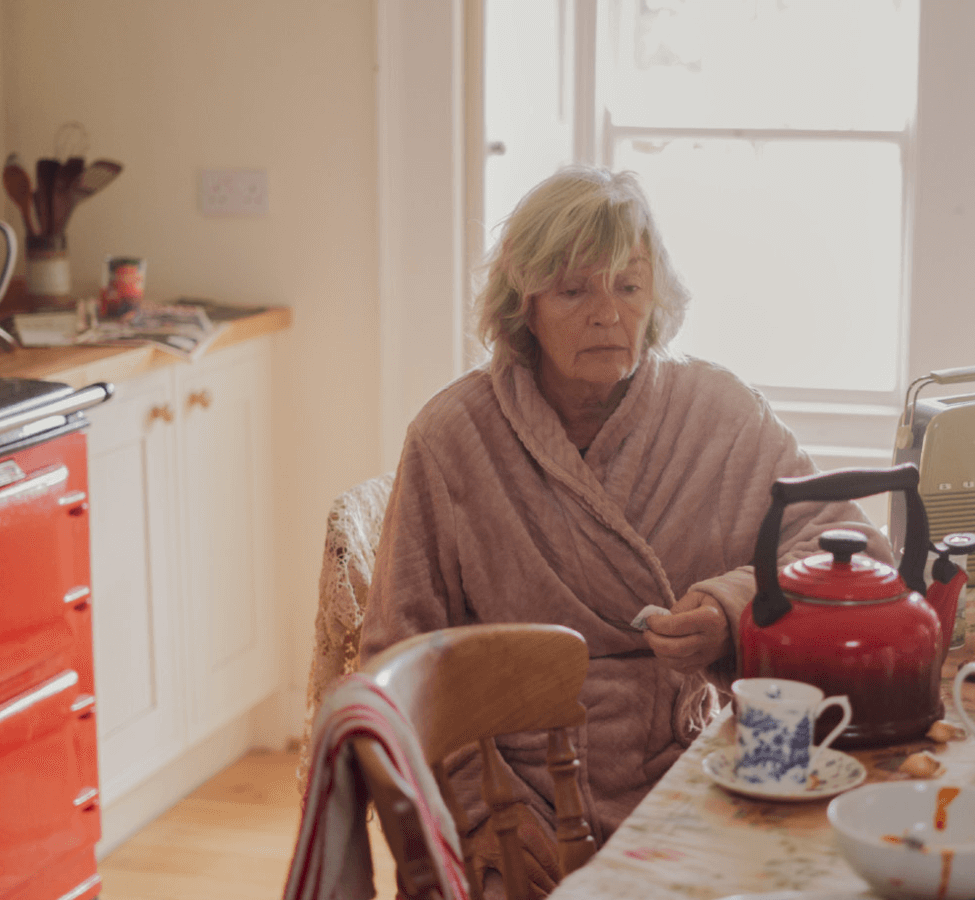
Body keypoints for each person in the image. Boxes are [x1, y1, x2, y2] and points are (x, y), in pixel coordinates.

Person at [358, 164, 892, 895]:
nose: (606, 314)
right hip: (524, 795)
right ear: (527, 309)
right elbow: (399, 653)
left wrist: (730, 610)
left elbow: (853, 548)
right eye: (575, 290)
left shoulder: (719, 414)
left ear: (656, 299)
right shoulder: (454, 437)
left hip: (697, 767)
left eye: (628, 286)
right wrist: (480, 812)